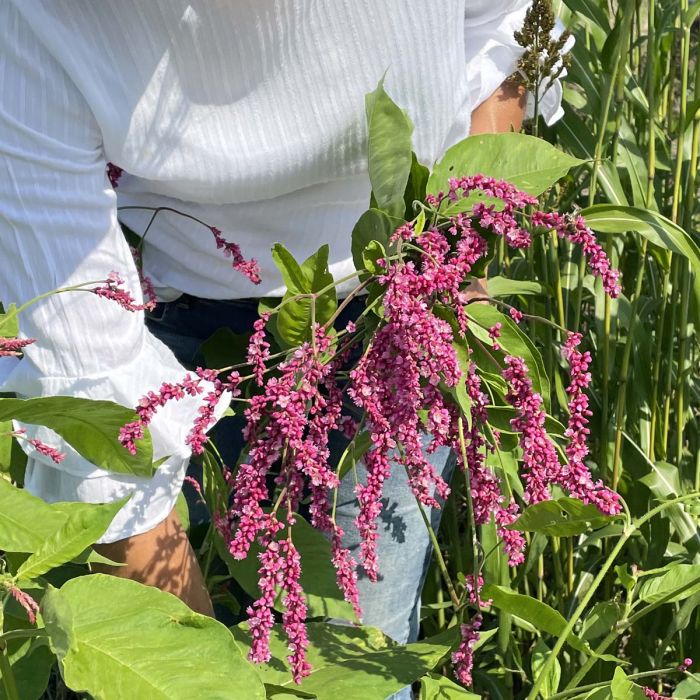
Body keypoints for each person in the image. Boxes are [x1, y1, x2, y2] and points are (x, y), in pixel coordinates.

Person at [0, 0, 567, 692]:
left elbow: (505, 29)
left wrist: (461, 257)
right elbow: (96, 413)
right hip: (172, 330)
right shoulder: (31, 21)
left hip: (398, 315)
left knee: (367, 651)